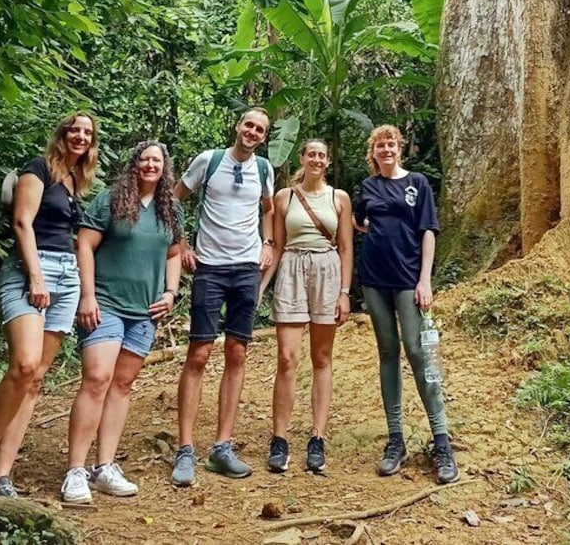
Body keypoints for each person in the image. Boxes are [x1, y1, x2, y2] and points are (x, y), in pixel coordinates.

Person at [0, 112, 98, 503]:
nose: (80, 136)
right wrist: (36, 277)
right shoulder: (37, 169)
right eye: (75, 129)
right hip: (29, 271)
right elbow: (23, 223)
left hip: (67, 276)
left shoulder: (75, 180)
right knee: (23, 365)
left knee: (36, 378)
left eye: (87, 133)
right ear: (63, 133)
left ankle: (3, 476)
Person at [60, 141, 183, 503]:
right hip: (106, 303)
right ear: (134, 164)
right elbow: (84, 245)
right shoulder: (111, 199)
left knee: (123, 384)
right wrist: (87, 295)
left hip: (145, 311)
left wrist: (171, 292)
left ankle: (105, 467)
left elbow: (174, 252)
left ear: (165, 168)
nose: (150, 165)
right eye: (144, 159)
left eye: (157, 160)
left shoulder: (169, 207)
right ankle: (75, 471)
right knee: (97, 378)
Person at [170, 107, 275, 484]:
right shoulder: (208, 160)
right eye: (248, 124)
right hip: (210, 268)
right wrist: (182, 243)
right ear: (237, 126)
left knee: (237, 351)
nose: (252, 132)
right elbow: (174, 199)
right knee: (199, 352)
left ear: (264, 137)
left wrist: (267, 243)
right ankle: (185, 449)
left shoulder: (264, 169)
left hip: (246, 268)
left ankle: (222, 446)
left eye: (260, 129)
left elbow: (268, 209)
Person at [353, 124, 459, 485]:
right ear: (373, 152)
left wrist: (425, 279)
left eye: (391, 144)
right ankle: (395, 439)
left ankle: (441, 440)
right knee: (387, 351)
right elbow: (359, 221)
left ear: (399, 149)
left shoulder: (418, 183)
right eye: (380, 145)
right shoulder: (369, 186)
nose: (386, 149)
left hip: (408, 279)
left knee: (416, 350)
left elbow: (428, 231)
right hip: (373, 279)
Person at [259, 139, 353, 474]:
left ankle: (317, 438)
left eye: (322, 155)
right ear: (302, 158)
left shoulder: (338, 198)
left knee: (322, 358)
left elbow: (345, 247)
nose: (316, 159)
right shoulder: (286, 197)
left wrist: (344, 292)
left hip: (327, 271)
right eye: (311, 154)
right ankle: (280, 438)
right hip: (293, 271)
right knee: (287, 357)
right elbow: (279, 246)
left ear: (327, 161)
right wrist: (262, 286)